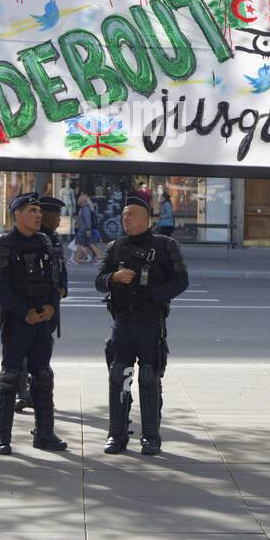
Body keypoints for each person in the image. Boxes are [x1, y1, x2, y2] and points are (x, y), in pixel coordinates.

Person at [96, 195, 189, 456]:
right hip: (123, 323)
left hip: (151, 322)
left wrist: (154, 295)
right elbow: (99, 280)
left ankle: (151, 437)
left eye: (132, 214)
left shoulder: (165, 245)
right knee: (119, 377)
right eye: (124, 214)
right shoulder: (116, 247)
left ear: (147, 217)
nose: (126, 218)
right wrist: (113, 277)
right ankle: (117, 434)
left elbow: (181, 281)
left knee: (149, 379)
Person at [0, 192, 66, 456]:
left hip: (42, 321)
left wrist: (51, 306)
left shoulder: (45, 241)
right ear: (17, 214)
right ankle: (2, 435)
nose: (38, 215)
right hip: (17, 322)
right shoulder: (5, 244)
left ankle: (44, 434)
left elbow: (55, 281)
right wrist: (24, 312)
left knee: (43, 375)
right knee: (10, 377)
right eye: (32, 211)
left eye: (38, 211)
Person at [16, 196, 68, 414]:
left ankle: (38, 395)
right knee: (22, 354)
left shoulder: (53, 238)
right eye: (56, 216)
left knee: (41, 355)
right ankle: (23, 393)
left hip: (49, 306)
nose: (59, 220)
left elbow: (60, 268)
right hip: (30, 305)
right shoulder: (32, 238)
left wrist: (63, 288)